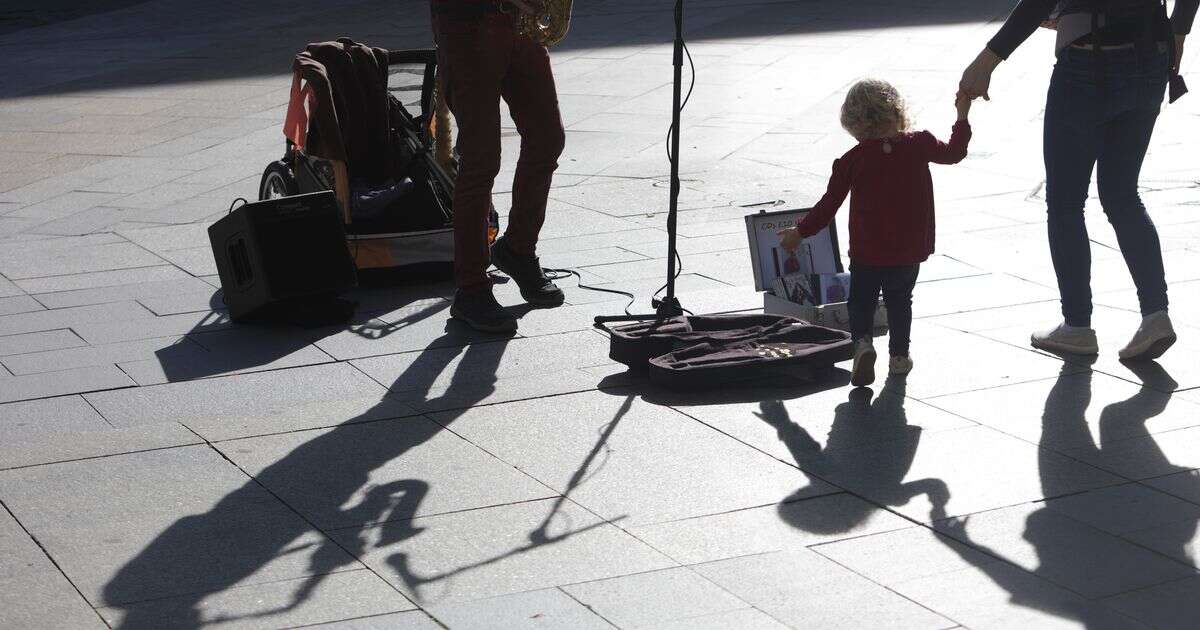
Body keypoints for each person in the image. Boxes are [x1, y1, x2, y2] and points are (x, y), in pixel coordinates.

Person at [958, 0, 1197, 361]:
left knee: (1066, 202)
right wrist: (1178, 32)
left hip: (1089, 60)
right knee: (1122, 194)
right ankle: (1155, 314)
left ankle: (1077, 326)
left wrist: (987, 60)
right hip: (1152, 55)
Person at [778, 79, 973, 387]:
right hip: (908, 248)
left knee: (861, 301)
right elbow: (954, 153)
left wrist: (799, 232)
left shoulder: (852, 160)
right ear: (897, 112)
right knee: (900, 300)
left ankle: (863, 345)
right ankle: (898, 357)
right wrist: (962, 115)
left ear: (854, 123)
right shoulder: (919, 143)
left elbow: (828, 205)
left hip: (868, 250)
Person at [430, 0, 568, 334]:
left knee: (548, 137)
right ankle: (471, 289)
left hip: (520, 23)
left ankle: (517, 249)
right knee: (481, 158)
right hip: (468, 26)